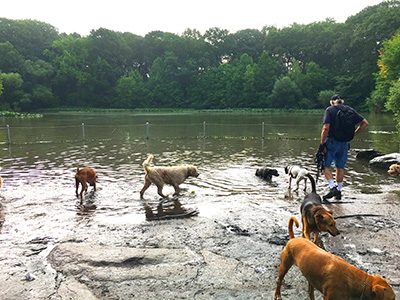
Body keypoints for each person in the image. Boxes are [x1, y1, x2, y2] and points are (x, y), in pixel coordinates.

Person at [318, 95, 368, 200]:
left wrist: (322, 143)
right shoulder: (350, 110)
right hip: (345, 143)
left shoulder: (330, 110)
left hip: (331, 142)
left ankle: (332, 188)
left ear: (332, 102)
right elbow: (365, 123)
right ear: (342, 102)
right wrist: (353, 134)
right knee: (340, 167)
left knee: (325, 165)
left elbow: (326, 128)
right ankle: (339, 191)